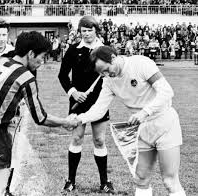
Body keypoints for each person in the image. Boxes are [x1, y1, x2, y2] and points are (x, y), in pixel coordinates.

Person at [0, 31, 77, 196]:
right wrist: (66, 122)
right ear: (30, 53)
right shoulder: (26, 78)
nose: (41, 62)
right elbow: (41, 118)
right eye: (41, 57)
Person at [70, 45, 186, 196]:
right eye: (101, 73)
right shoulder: (108, 81)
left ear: (113, 58)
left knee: (170, 181)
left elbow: (166, 91)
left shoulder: (140, 64)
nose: (105, 75)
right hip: (141, 130)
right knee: (141, 179)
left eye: (106, 70)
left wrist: (145, 112)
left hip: (165, 124)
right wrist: (80, 118)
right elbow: (99, 109)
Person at [58, 16, 114, 193]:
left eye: (90, 30)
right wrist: (73, 92)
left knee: (99, 140)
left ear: (96, 30)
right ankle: (70, 181)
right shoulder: (73, 50)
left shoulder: (105, 51)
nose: (87, 34)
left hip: (100, 102)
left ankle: (104, 182)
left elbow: (114, 72)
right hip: (78, 102)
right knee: (76, 138)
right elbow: (62, 75)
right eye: (84, 30)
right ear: (79, 32)